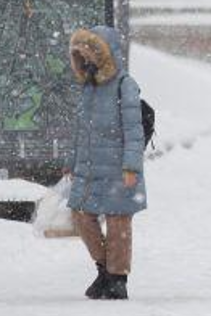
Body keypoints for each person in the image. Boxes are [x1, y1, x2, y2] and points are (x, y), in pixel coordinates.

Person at [66, 26, 147, 301]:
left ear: (105, 55)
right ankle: (104, 270)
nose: (86, 60)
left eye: (90, 54)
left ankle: (117, 279)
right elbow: (80, 131)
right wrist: (70, 162)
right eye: (82, 55)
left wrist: (131, 167)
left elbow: (134, 130)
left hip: (118, 168)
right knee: (81, 217)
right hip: (89, 169)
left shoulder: (126, 85)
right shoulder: (88, 88)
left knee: (118, 224)